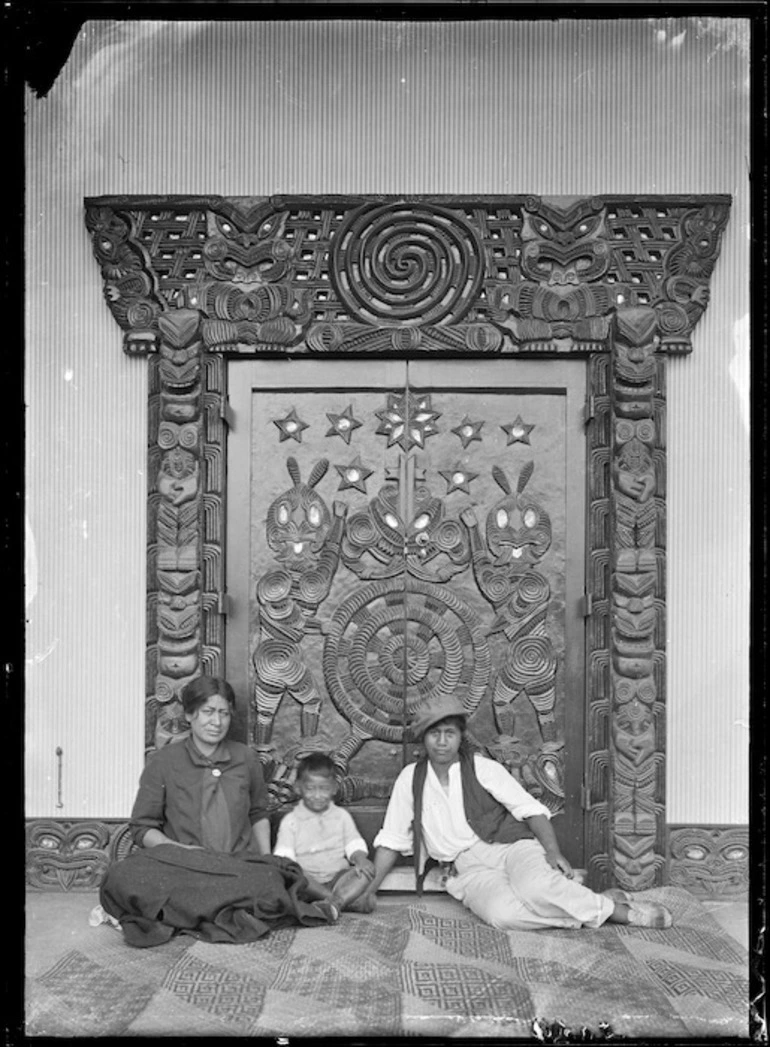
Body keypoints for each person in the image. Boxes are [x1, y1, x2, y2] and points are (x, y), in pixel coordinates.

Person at [355, 694, 673, 931]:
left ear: (459, 736)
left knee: (535, 888)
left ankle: (618, 913)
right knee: (501, 915)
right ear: (423, 739)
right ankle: (595, 902)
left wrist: (552, 852)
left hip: (510, 849)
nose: (442, 742)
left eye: (449, 733)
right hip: (466, 869)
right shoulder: (410, 778)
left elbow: (531, 810)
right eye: (434, 734)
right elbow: (392, 840)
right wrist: (369, 891)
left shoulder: (482, 768)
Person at [98, 676, 339, 946]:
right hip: (188, 868)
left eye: (224, 713)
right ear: (190, 715)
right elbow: (142, 828)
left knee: (269, 878)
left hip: (237, 867)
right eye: (208, 712)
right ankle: (237, 906)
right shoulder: (163, 762)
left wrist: (266, 859)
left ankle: (210, 907)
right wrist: (178, 850)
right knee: (121, 876)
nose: (217, 722)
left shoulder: (246, 758)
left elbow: (258, 813)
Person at [273, 752, 375, 910]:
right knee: (293, 877)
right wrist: (300, 875)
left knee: (367, 872)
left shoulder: (341, 817)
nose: (317, 796)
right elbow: (286, 862)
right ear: (298, 788)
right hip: (307, 883)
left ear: (334, 788)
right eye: (310, 789)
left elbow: (354, 845)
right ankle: (340, 901)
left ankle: (334, 903)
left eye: (324, 789)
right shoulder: (291, 822)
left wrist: (361, 860)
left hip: (336, 879)